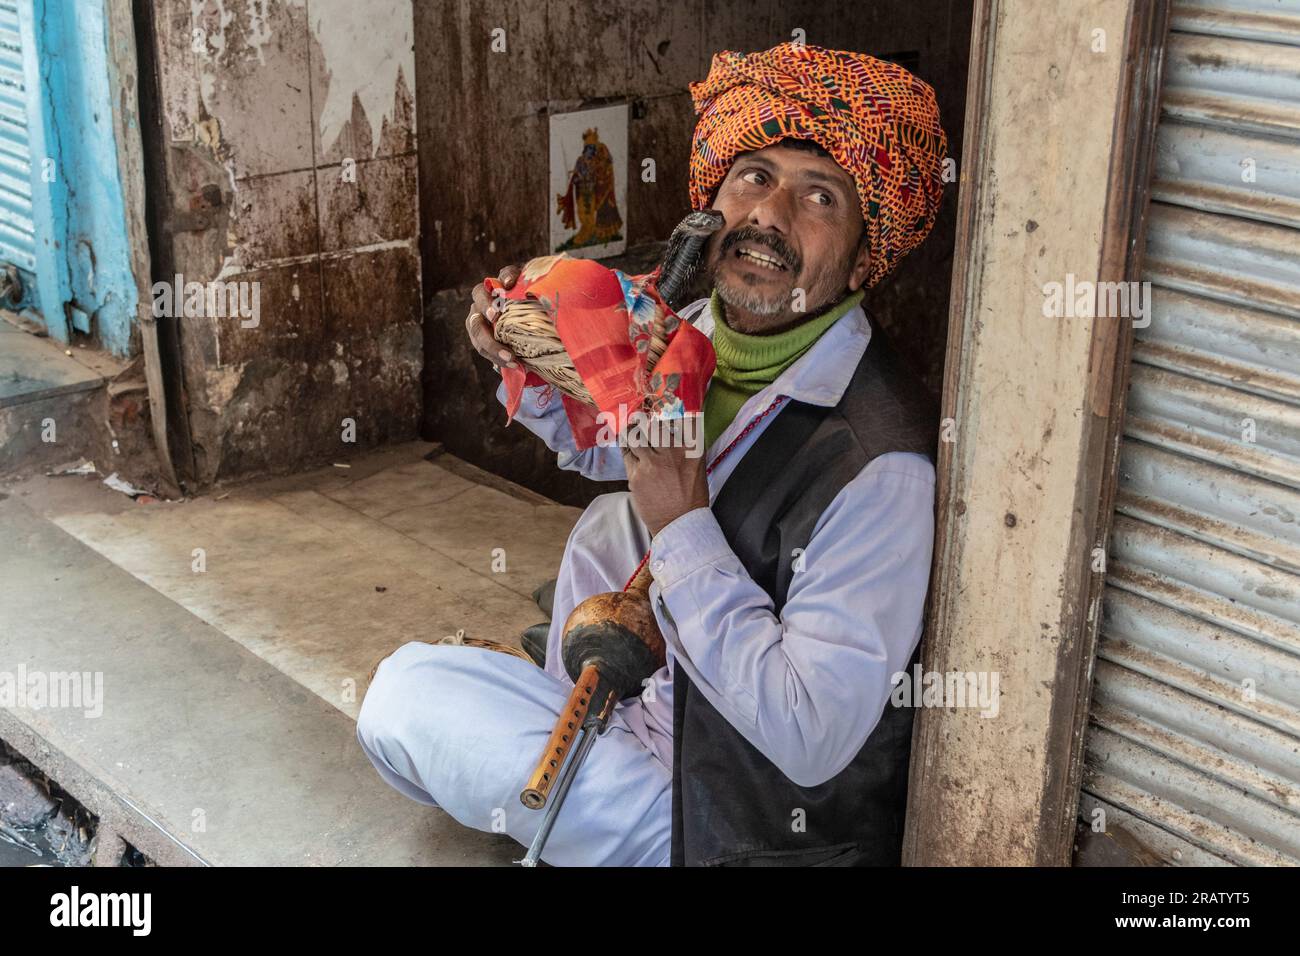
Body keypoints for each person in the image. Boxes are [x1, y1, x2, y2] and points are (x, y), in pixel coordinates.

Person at [357, 41, 949, 866]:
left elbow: (811, 736)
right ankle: (579, 765)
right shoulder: (702, 332)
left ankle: (594, 814)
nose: (770, 216)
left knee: (409, 701)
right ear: (714, 204)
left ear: (860, 263)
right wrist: (523, 359)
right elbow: (615, 447)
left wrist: (681, 520)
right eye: (754, 176)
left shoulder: (881, 463)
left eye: (819, 198)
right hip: (654, 728)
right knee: (595, 536)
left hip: (740, 820)